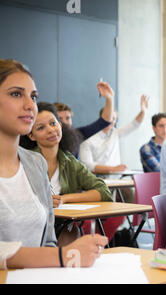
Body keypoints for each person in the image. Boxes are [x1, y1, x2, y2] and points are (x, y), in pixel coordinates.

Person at [0, 58, 107, 270]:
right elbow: (52, 252)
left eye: (33, 96)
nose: (30, 105)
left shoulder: (34, 162)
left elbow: (48, 240)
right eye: (16, 94)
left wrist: (58, 260)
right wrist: (62, 256)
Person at [19, 102, 122, 244]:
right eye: (41, 127)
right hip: (29, 228)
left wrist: (65, 198)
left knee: (71, 232)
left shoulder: (70, 162)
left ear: (60, 126)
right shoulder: (24, 161)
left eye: (53, 123)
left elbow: (103, 191)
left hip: (62, 227)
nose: (50, 130)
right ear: (31, 135)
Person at [79, 90, 149, 176]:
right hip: (96, 179)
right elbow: (88, 165)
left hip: (116, 178)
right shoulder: (88, 137)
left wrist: (143, 112)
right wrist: (113, 169)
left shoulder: (115, 133)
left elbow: (134, 125)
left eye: (114, 119)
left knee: (135, 188)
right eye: (110, 117)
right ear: (102, 118)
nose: (112, 121)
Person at [53, 80, 114, 158]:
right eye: (60, 119)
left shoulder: (77, 134)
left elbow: (105, 121)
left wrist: (110, 98)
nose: (65, 122)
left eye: (68, 118)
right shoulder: (47, 138)